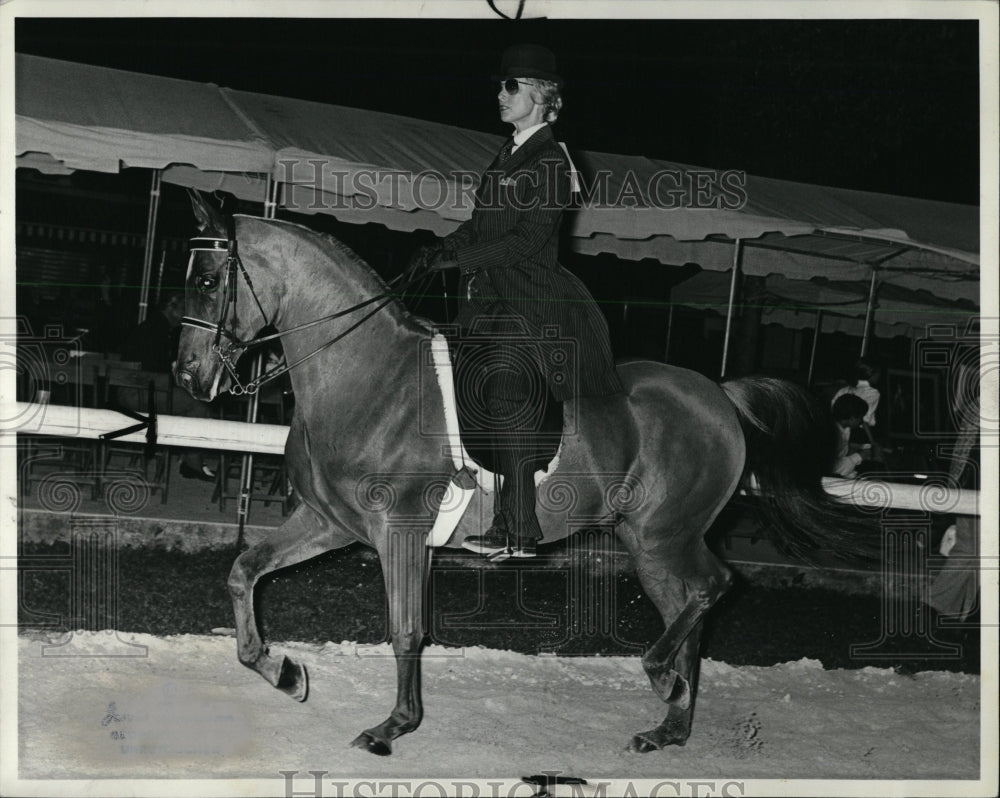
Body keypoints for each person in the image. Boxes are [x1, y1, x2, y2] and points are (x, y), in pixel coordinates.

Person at [409, 44, 623, 559]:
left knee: (505, 389)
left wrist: (462, 259)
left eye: (512, 87)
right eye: (501, 86)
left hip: (531, 300)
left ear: (542, 95)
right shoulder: (506, 154)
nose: (501, 95)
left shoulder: (551, 160)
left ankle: (520, 526)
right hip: (487, 299)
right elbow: (482, 227)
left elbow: (527, 244)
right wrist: (443, 248)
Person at [120, 293, 216, 481]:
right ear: (171, 307)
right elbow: (159, 374)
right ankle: (192, 463)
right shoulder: (159, 332)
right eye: (183, 310)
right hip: (140, 395)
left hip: (126, 392)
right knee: (199, 406)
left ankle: (188, 457)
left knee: (190, 403)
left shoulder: (149, 327)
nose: (185, 315)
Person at [831, 359, 881, 446]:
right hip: (859, 433)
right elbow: (864, 420)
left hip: (838, 429)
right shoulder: (873, 393)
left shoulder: (844, 389)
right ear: (872, 374)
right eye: (878, 373)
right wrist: (872, 441)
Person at [830, 393, 871, 478]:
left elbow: (841, 451)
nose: (861, 421)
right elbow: (831, 467)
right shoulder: (831, 434)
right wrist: (859, 456)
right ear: (852, 418)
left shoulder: (844, 428)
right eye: (860, 417)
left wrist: (855, 448)